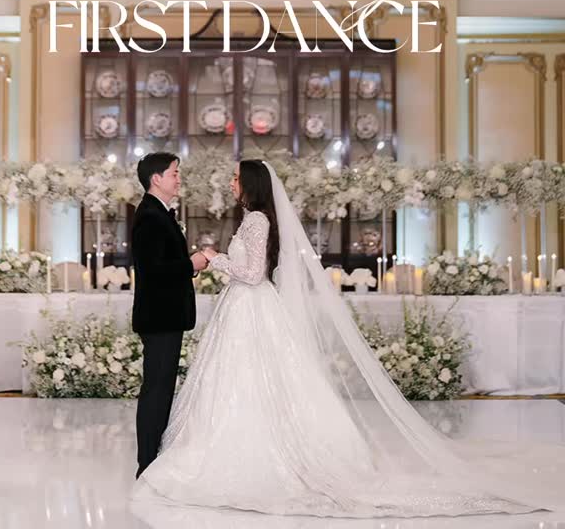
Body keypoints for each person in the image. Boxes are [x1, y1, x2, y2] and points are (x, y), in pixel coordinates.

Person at [132, 158, 565, 519]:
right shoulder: (248, 218)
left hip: (250, 307)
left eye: (235, 177)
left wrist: (214, 258)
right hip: (241, 311)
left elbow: (252, 274)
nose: (229, 183)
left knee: (253, 382)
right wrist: (211, 258)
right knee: (233, 384)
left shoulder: (258, 220)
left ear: (251, 185)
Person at [131, 151, 208, 479]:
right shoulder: (149, 215)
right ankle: (147, 464)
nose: (179, 178)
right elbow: (153, 270)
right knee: (156, 390)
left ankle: (153, 458)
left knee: (161, 388)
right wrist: (192, 263)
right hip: (159, 317)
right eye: (174, 173)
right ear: (156, 179)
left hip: (165, 315)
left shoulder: (158, 212)